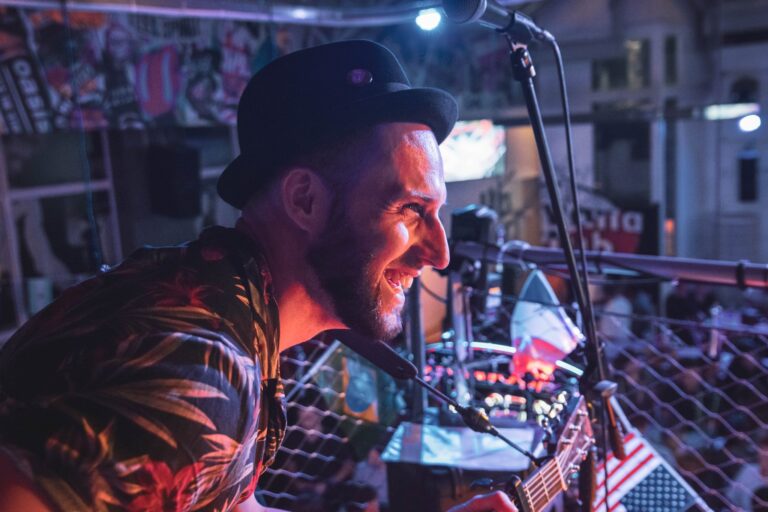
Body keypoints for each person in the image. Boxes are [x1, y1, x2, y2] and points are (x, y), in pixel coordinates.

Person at [0, 40, 518, 511]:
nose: (440, 253)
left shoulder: (233, 310)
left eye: (436, 213)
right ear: (304, 200)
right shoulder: (201, 373)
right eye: (409, 208)